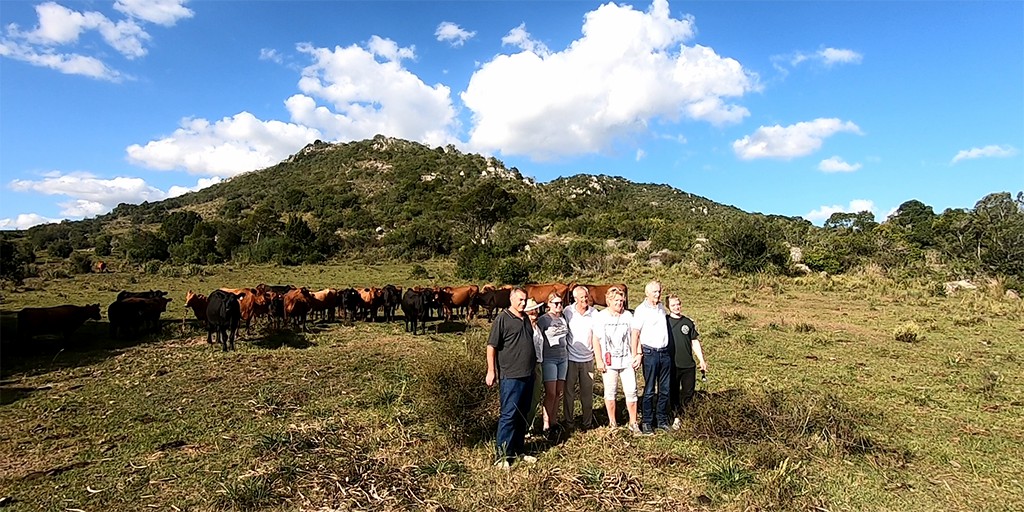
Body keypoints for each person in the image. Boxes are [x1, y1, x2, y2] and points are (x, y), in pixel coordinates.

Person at [486, 288, 536, 467]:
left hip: (528, 374)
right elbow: (491, 346)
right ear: (512, 299)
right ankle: (502, 456)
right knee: (509, 415)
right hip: (511, 376)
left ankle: (518, 451)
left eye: (525, 300)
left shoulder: (525, 319)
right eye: (520, 300)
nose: (523, 303)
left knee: (522, 414)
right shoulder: (502, 319)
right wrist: (491, 371)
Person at [592, 287, 640, 432]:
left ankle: (633, 422)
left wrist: (638, 354)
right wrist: (599, 360)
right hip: (609, 362)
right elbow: (596, 339)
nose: (620, 303)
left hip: (627, 360)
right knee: (610, 392)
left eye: (621, 300)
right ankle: (612, 423)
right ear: (609, 301)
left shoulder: (628, 316)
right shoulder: (601, 317)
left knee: (631, 390)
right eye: (616, 301)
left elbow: (635, 335)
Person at [631, 280, 671, 434]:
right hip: (650, 353)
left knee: (664, 389)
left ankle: (661, 419)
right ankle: (647, 421)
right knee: (649, 389)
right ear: (647, 293)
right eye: (654, 291)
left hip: (664, 352)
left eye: (659, 291)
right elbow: (635, 333)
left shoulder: (661, 307)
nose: (658, 294)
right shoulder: (641, 310)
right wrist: (636, 354)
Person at [666, 293, 707, 429]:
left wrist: (701, 359)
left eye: (678, 304)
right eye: (673, 305)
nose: (677, 307)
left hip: (688, 364)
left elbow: (694, 341)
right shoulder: (664, 322)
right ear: (668, 307)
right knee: (673, 391)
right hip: (672, 364)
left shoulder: (688, 322)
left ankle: (686, 415)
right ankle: (676, 416)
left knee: (688, 392)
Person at [536, 292, 569, 440]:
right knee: (550, 392)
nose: (559, 306)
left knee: (558, 392)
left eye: (560, 303)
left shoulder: (563, 319)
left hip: (563, 358)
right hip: (549, 359)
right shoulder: (544, 320)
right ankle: (546, 423)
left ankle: (554, 420)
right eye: (555, 303)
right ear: (548, 304)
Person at [563, 286, 596, 430]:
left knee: (587, 393)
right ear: (575, 298)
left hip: (588, 358)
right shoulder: (567, 311)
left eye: (586, 296)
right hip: (571, 358)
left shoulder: (595, 313)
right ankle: (569, 423)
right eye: (581, 297)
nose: (585, 299)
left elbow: (597, 335)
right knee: (569, 392)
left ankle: (587, 423)